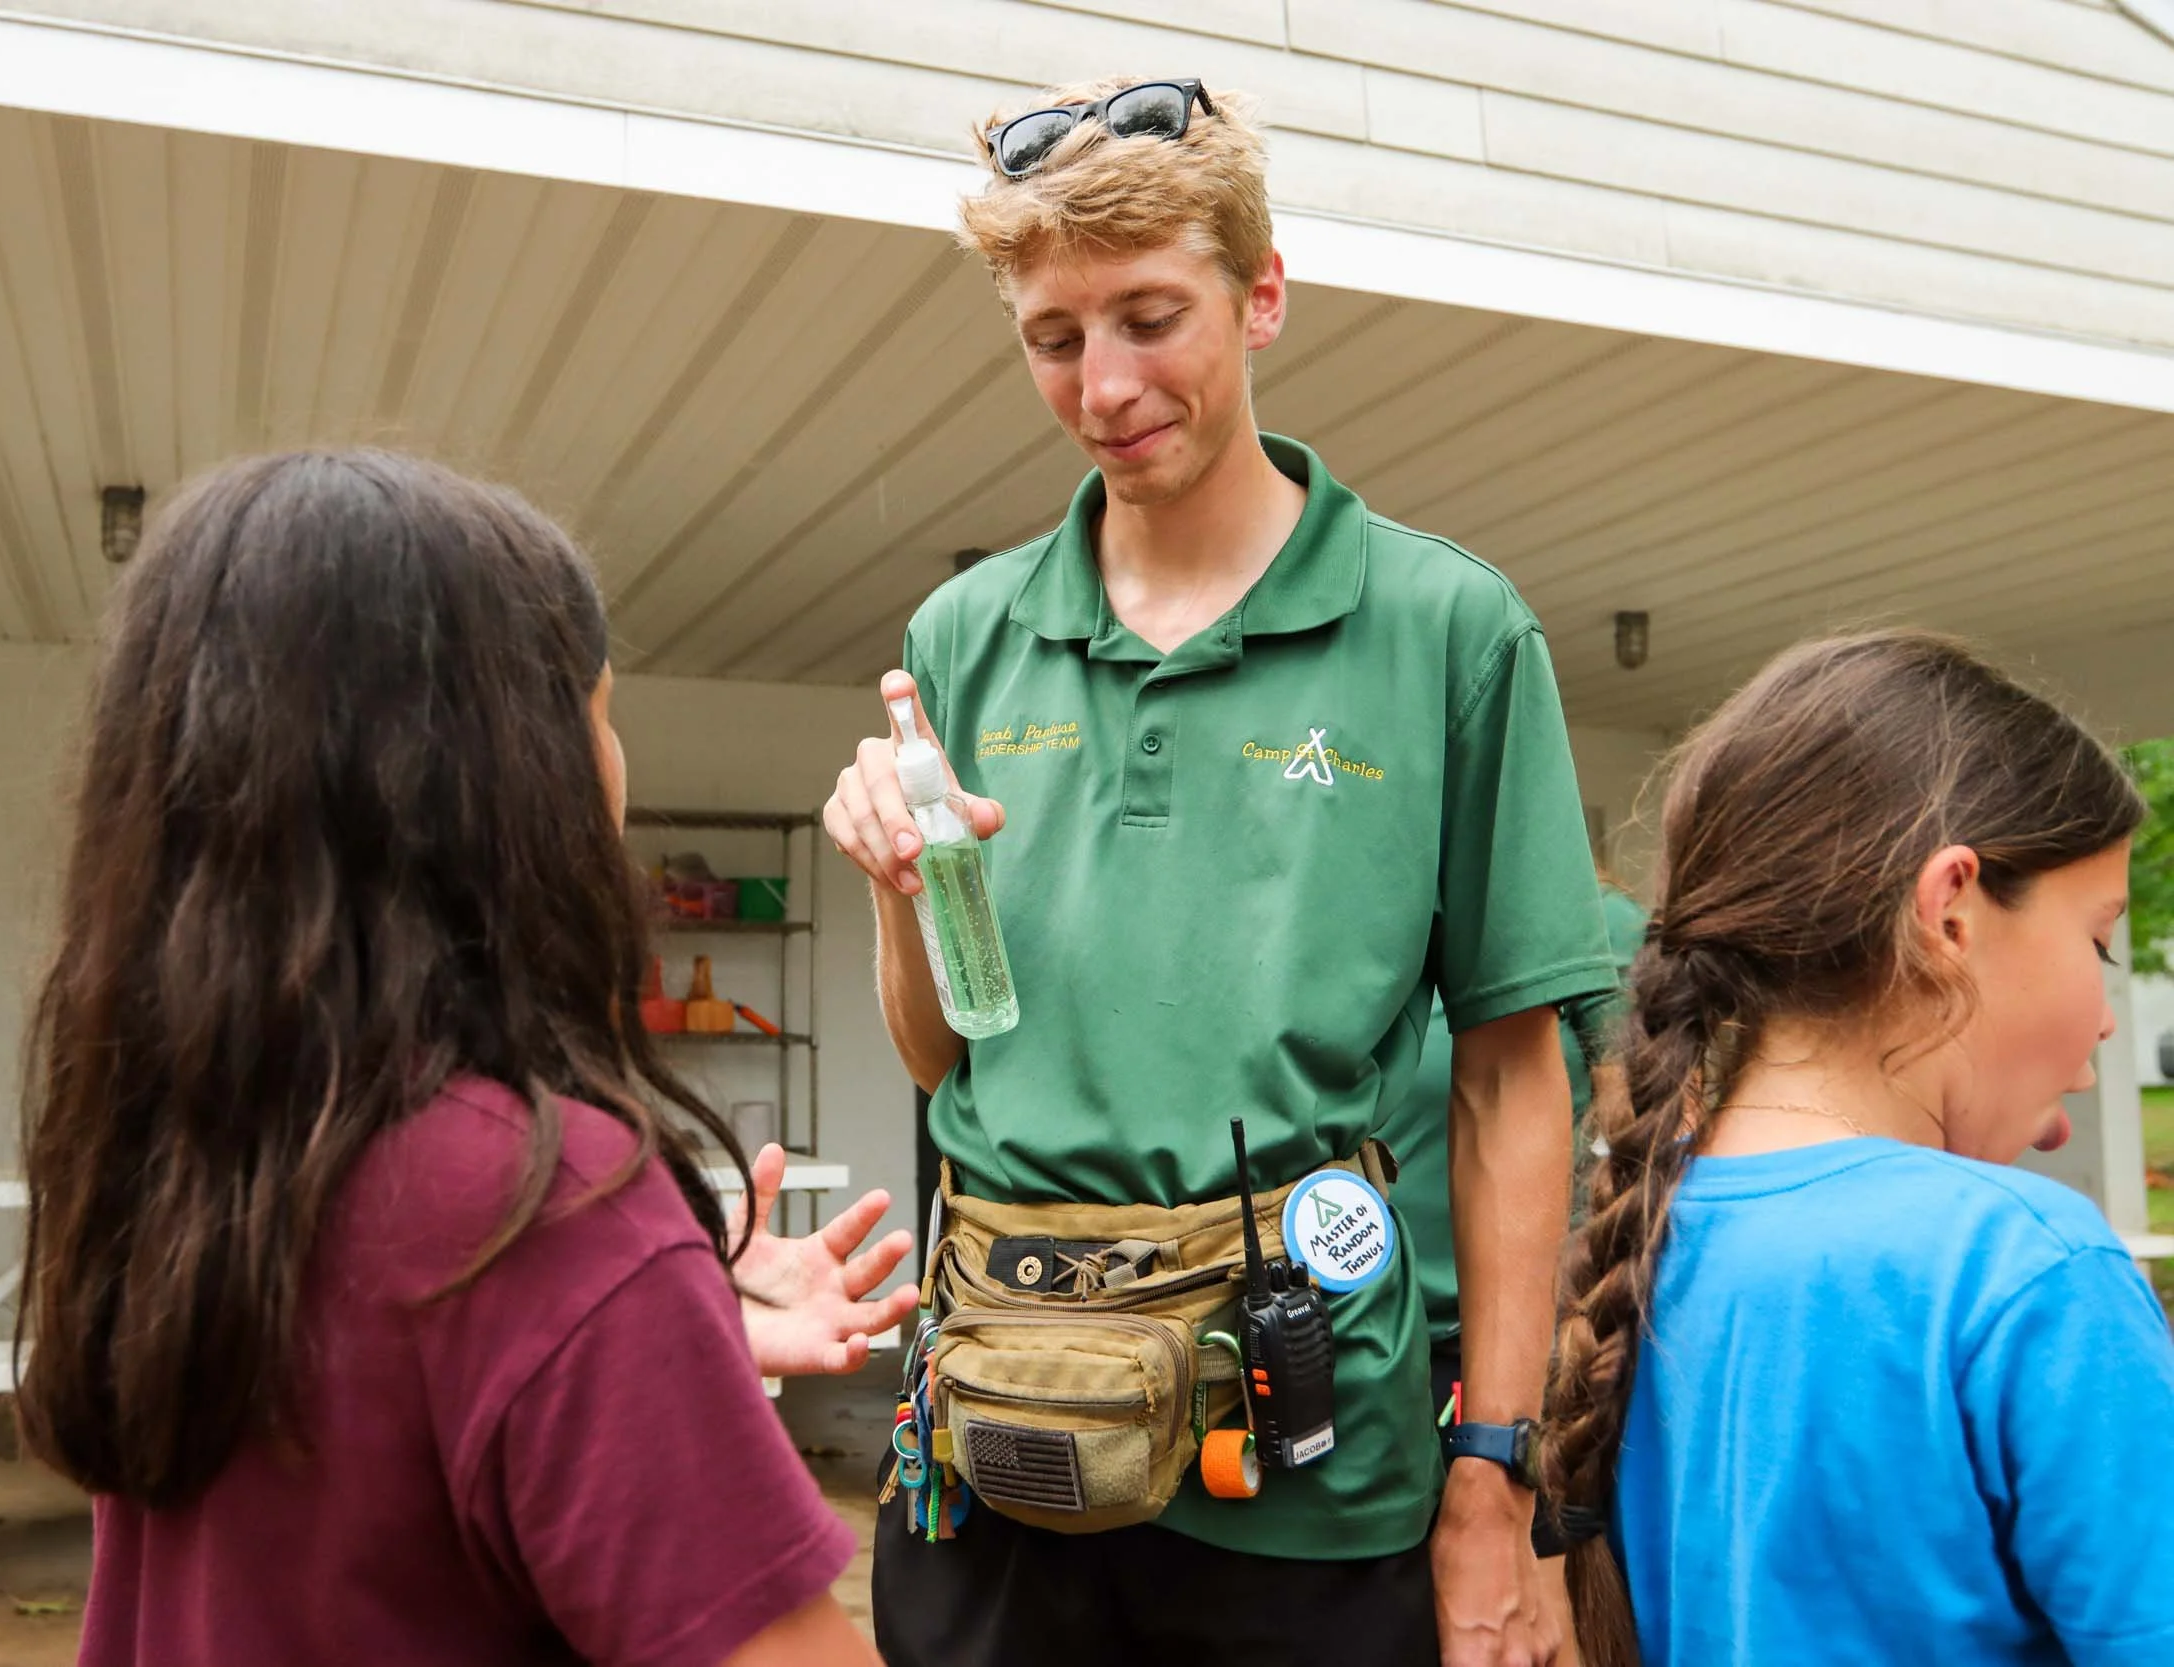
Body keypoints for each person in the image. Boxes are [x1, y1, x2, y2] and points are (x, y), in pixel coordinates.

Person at [825, 77, 1612, 1666]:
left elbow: (1514, 1082)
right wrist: (896, 882)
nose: (1105, 384)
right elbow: (935, 1049)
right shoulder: (965, 637)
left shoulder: (1447, 629)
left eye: (1149, 317)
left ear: (1262, 295)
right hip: (1002, 1439)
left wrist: (1494, 1473)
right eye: (1055, 337)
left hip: (1307, 1473)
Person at [17, 451, 915, 1667]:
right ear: (516, 774)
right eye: (600, 715)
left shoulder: (196, 1147)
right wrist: (609, 1304)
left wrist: (649, 1341)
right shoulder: (545, 1202)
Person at [1539, 632, 2174, 1667]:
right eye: (2097, 938)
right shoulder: (2027, 1266)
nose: (2106, 1015)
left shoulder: (1646, 1229)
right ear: (1951, 913)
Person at [1390, 872, 1649, 1419]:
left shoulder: (1594, 921)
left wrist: (1607, 1315)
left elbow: (1657, 1136)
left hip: (1533, 1352)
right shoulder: (1375, 935)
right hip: (1371, 1341)